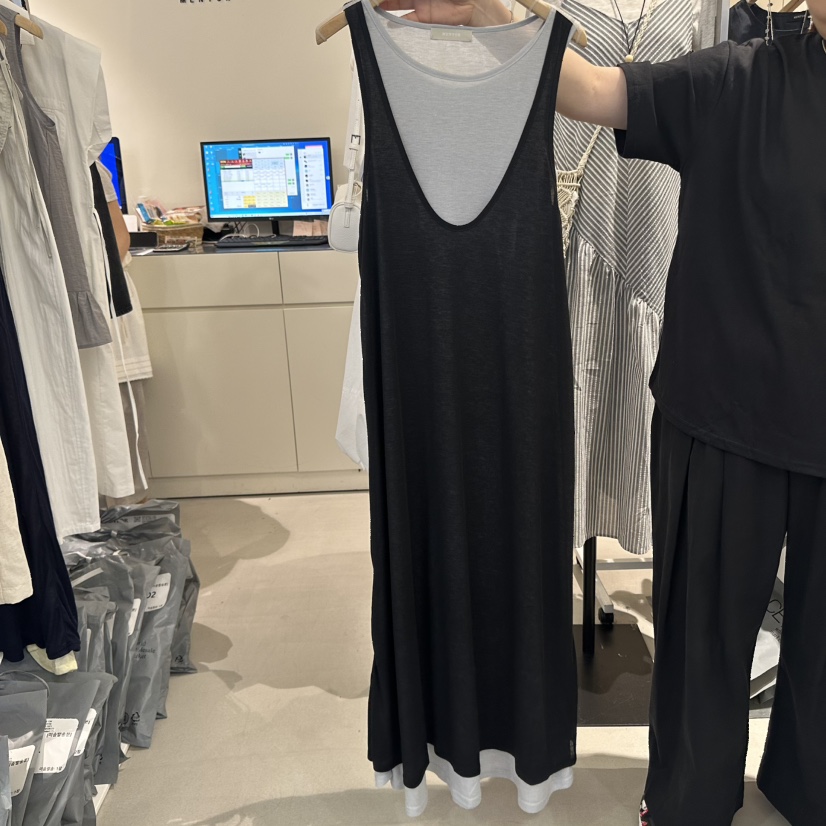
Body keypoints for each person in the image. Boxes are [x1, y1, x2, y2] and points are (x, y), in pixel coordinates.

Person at [379, 1, 826, 824]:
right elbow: (588, 90)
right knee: (704, 642)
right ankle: (690, 800)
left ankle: (810, 786)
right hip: (724, 419)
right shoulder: (738, 79)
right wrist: (495, 9)